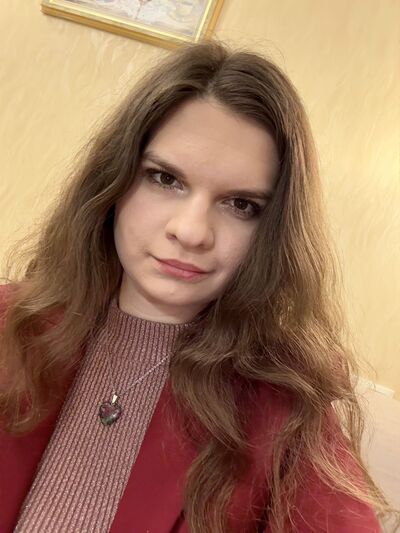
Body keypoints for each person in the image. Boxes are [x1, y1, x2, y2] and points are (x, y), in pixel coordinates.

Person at [0, 39, 397, 533]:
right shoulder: (10, 327)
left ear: (272, 231)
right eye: (165, 179)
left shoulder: (287, 400)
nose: (190, 232)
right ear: (114, 180)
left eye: (241, 205)